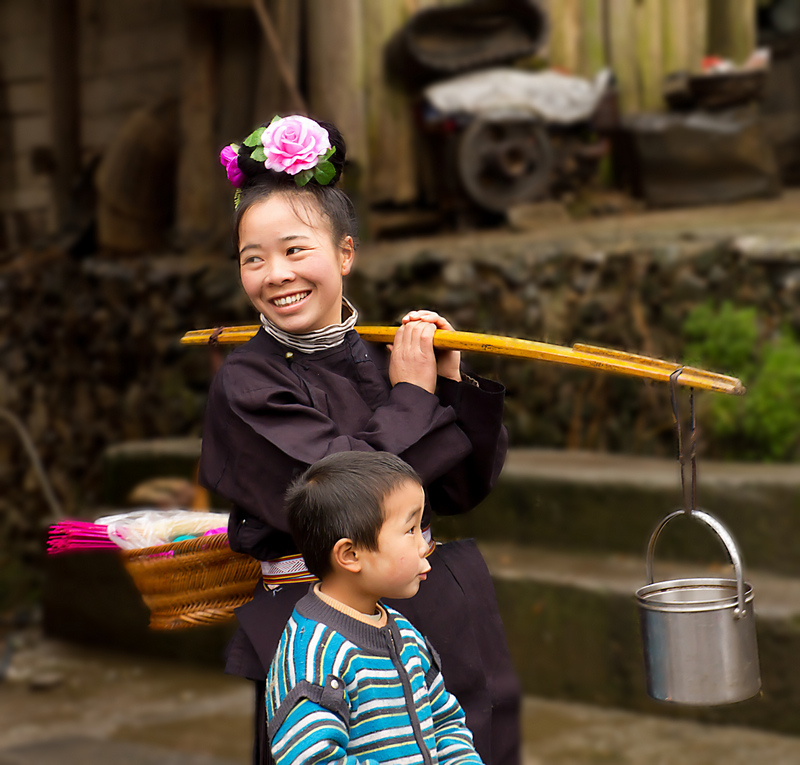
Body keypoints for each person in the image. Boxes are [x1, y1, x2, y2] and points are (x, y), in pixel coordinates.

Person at [199, 114, 520, 765]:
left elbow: (458, 489)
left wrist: (451, 385)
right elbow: (338, 485)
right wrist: (414, 398)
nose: (275, 274)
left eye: (295, 250)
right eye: (252, 258)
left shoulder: (383, 358)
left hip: (420, 602)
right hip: (317, 621)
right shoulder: (247, 382)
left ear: (345, 253)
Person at [268, 451, 483, 765]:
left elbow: (446, 723)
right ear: (351, 555)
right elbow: (314, 759)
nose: (424, 544)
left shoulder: (404, 634)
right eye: (410, 530)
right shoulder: (312, 659)